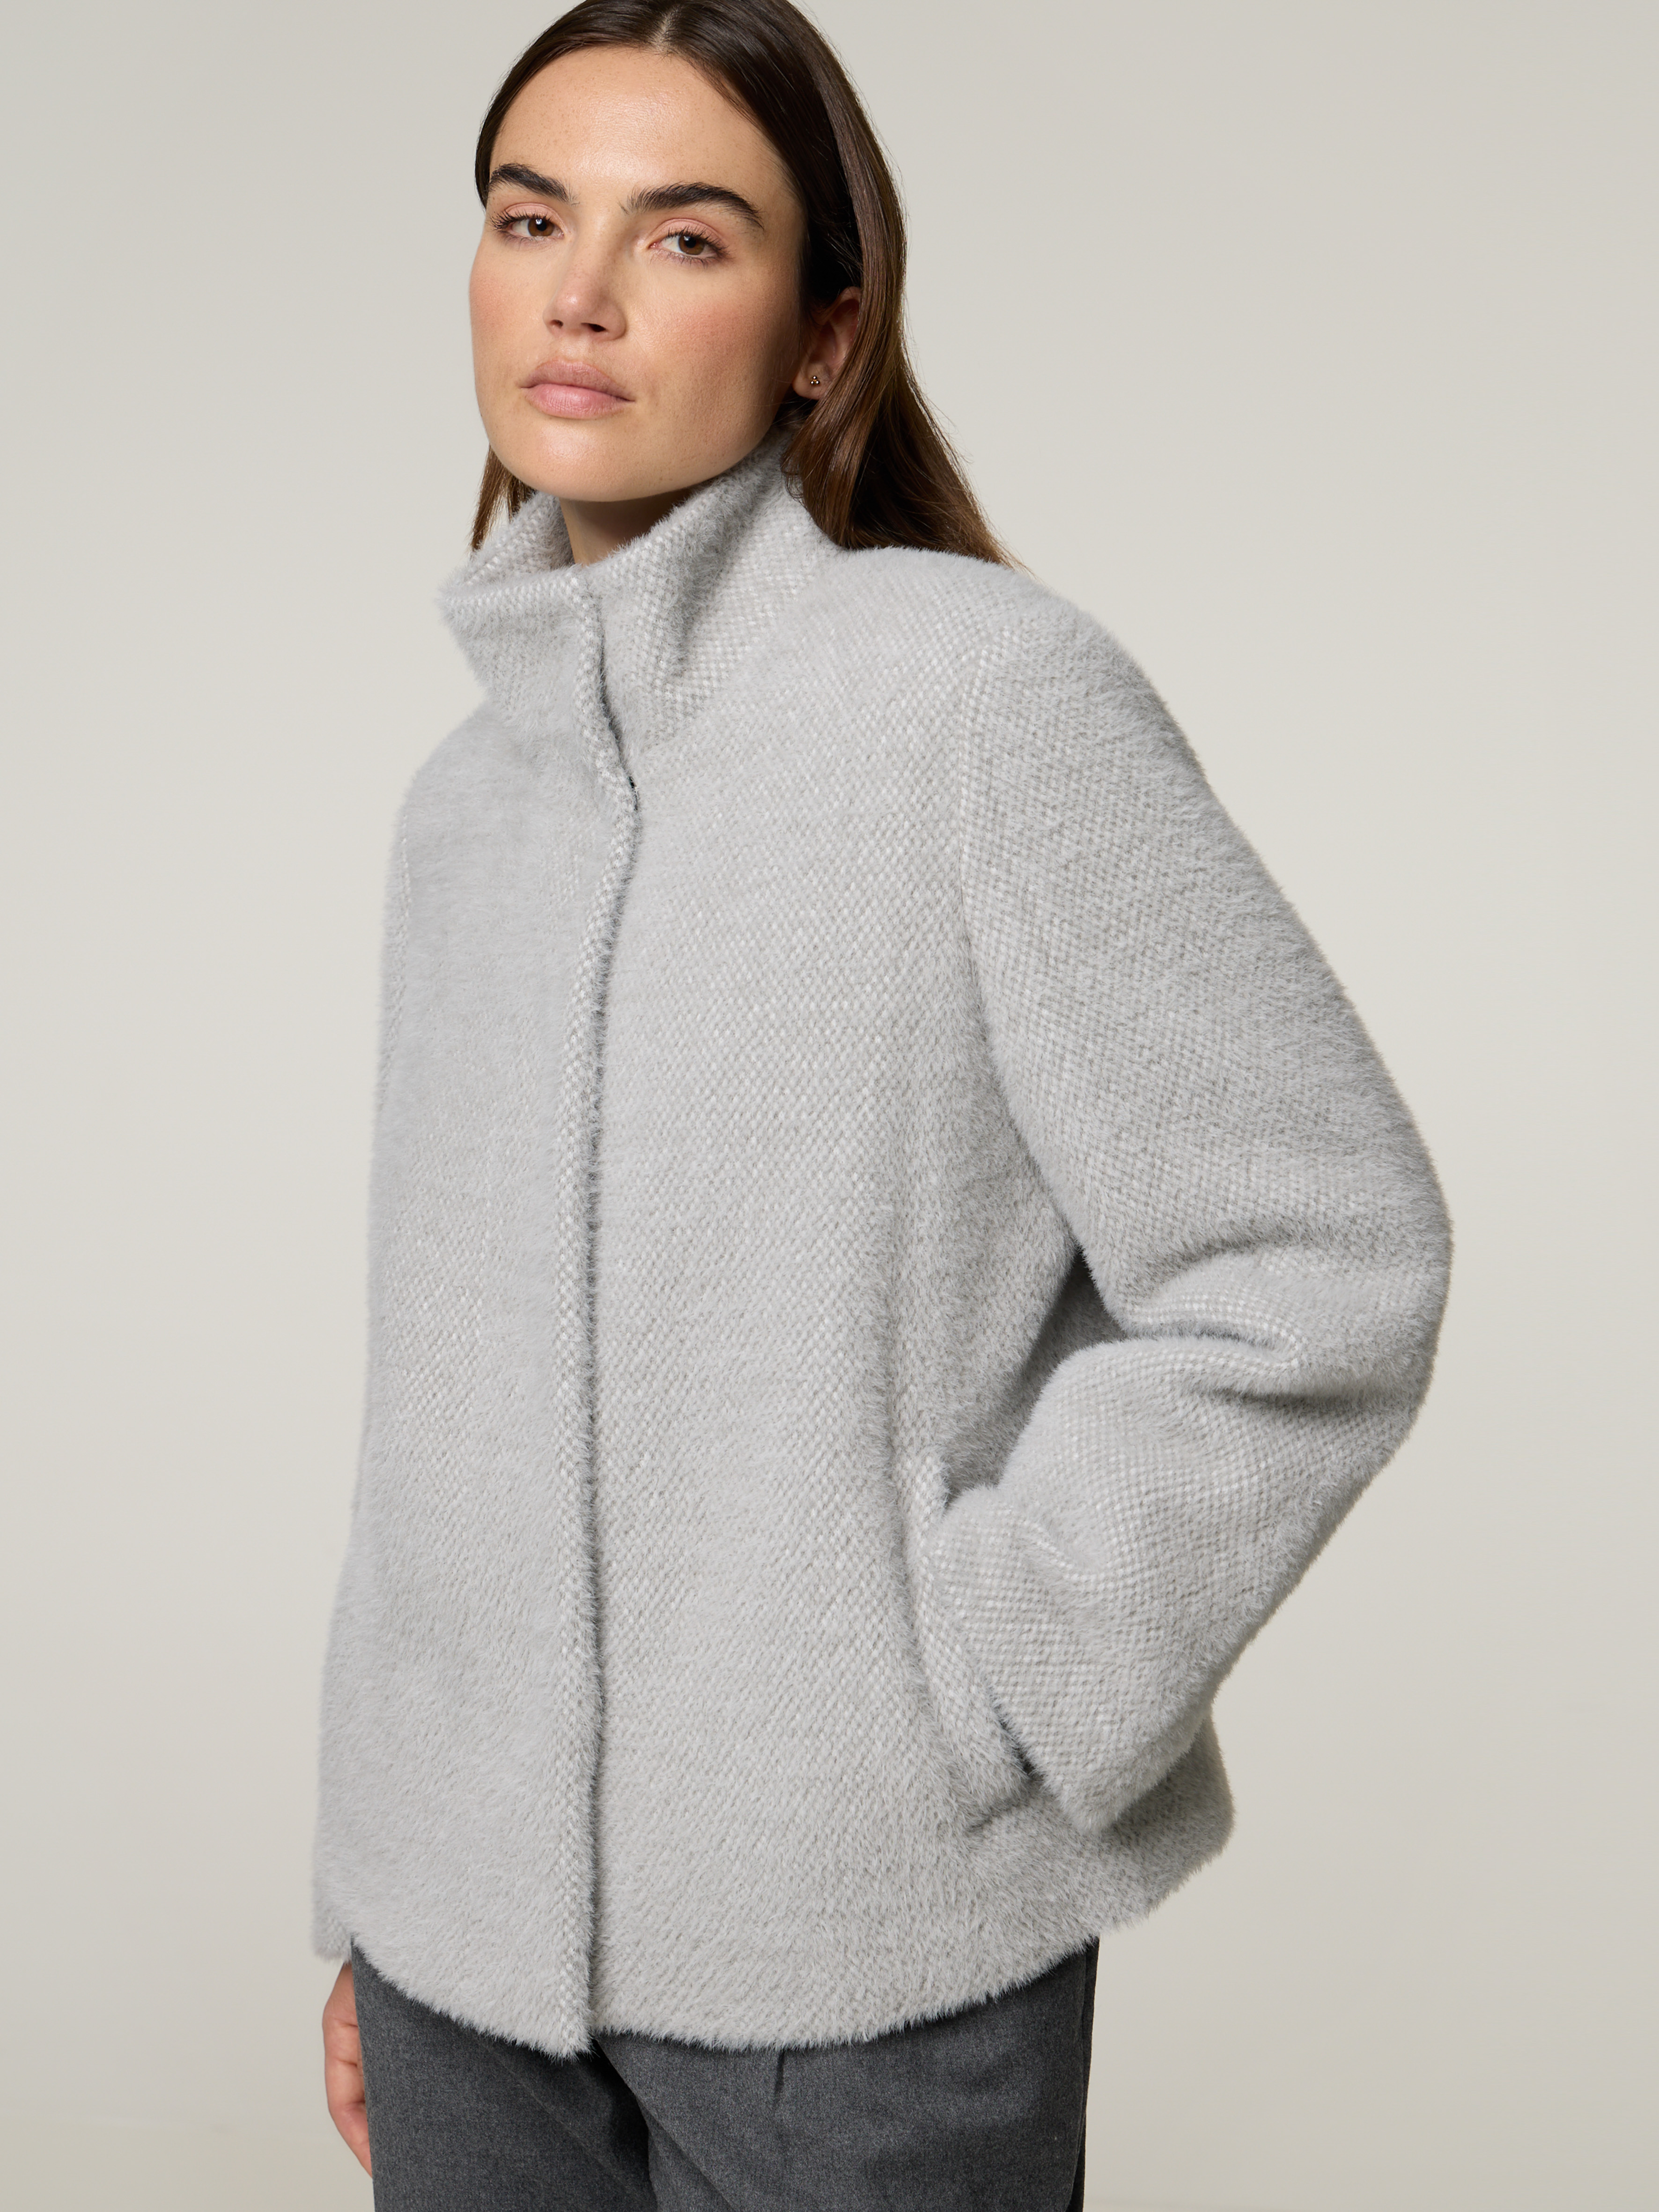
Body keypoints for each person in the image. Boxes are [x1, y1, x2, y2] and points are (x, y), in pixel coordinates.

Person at [313, 2, 1452, 2205]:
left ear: (825, 334)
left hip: (862, 1974)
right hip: (461, 1980)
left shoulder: (978, 703)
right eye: (531, 218)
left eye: (685, 236)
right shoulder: (460, 808)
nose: (579, 292)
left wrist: (995, 1683)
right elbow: (433, 1410)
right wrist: (373, 1883)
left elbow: (1317, 1252)